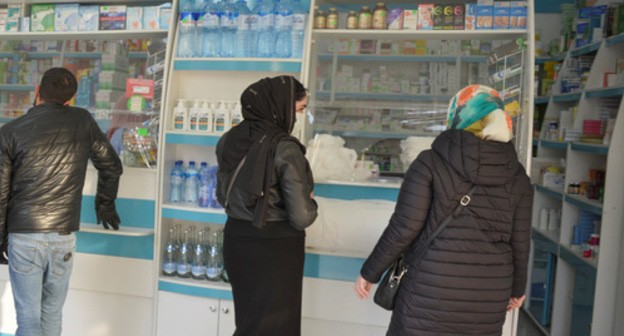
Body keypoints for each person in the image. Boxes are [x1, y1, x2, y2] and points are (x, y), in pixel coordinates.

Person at [354, 84, 533, 335]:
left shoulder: (429, 163)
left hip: (428, 290)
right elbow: (520, 242)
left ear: (457, 115)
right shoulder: (519, 179)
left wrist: (370, 272)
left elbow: (405, 227)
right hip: (488, 297)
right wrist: (517, 289)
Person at [0, 67, 123, 336]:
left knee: (28, 320)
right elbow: (111, 166)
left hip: (23, 236)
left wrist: (0, 239)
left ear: (36, 92)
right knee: (52, 315)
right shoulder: (82, 121)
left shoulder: (10, 131)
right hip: (63, 236)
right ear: (70, 99)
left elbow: (1, 193)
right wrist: (105, 204)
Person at [215, 76, 318, 335]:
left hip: (236, 240)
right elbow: (302, 216)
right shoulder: (283, 147)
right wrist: (313, 201)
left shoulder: (228, 140)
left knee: (250, 324)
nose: (298, 118)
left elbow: (222, 195)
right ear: (280, 106)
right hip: (275, 249)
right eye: (299, 110)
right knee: (276, 329)